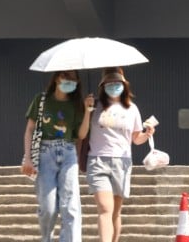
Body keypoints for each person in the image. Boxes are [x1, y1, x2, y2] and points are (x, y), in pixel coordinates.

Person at [21, 70, 94, 242]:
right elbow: (29, 130)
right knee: (48, 207)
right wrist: (28, 157)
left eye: (73, 79)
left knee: (71, 205)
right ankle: (46, 237)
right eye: (65, 77)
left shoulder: (76, 104)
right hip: (44, 152)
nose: (69, 81)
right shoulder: (41, 99)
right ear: (56, 78)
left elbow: (81, 135)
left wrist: (88, 110)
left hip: (68, 153)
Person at [86, 67, 155, 242]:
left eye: (117, 83)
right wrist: (86, 109)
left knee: (115, 212)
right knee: (104, 208)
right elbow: (82, 131)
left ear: (124, 85)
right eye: (109, 83)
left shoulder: (132, 108)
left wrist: (147, 134)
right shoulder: (94, 105)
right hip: (98, 160)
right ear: (102, 85)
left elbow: (136, 139)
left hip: (122, 162)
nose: (113, 86)